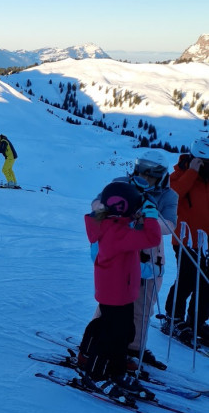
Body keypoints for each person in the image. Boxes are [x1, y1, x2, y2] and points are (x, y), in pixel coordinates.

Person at [90, 150, 177, 367]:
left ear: (161, 176)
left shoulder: (168, 195)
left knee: (143, 305)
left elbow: (169, 226)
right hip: (121, 247)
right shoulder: (120, 184)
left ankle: (133, 348)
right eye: (142, 172)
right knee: (111, 304)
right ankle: (94, 344)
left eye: (151, 175)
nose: (145, 178)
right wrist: (120, 210)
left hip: (149, 251)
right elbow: (97, 205)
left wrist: (148, 217)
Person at [77, 181, 161, 399]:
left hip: (121, 291)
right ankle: (95, 374)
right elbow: (152, 238)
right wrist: (150, 214)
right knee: (111, 335)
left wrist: (139, 212)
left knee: (124, 332)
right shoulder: (116, 231)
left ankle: (117, 370)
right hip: (114, 292)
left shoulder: (115, 223)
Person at [163, 135, 209, 344]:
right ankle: (173, 319)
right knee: (187, 280)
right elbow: (173, 196)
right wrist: (192, 172)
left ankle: (196, 321)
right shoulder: (179, 176)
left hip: (206, 242)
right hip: (185, 239)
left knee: (206, 283)